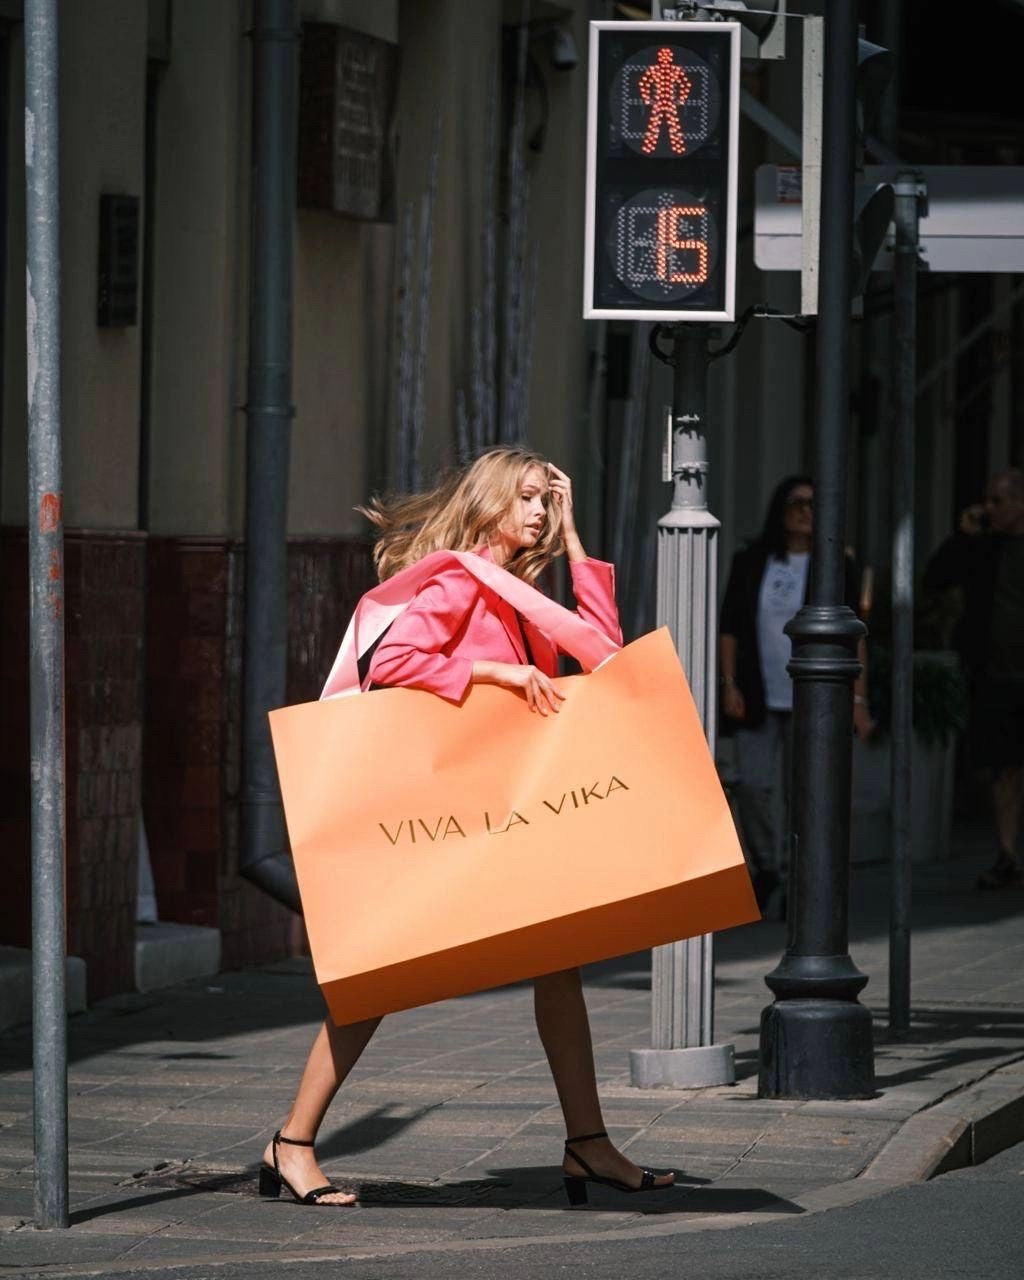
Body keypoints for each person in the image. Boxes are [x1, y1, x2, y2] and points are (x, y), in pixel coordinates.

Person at [260, 446, 675, 1207]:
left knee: (560, 964)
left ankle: (588, 1144)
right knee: (380, 972)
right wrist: (496, 673)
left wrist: (577, 544)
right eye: (526, 499)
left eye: (547, 501)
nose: (538, 513)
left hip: (505, 807)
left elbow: (607, 659)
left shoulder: (519, 591)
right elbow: (395, 660)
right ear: (488, 503)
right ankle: (292, 1142)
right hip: (448, 809)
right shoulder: (459, 579)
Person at [719, 476, 873, 914]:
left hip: (815, 697)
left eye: (813, 504)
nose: (806, 511)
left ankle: (796, 881)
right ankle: (768, 865)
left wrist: (859, 700)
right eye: (797, 502)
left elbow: (854, 636)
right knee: (753, 786)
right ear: (780, 509)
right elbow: (730, 627)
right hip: (757, 694)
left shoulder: (835, 566)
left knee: (805, 791)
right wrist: (728, 684)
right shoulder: (752, 561)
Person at [923, 469, 1024, 890]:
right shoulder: (982, 549)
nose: (988, 508)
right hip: (996, 674)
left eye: (997, 500)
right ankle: (1007, 853)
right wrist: (963, 535)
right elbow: (935, 578)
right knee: (1002, 768)